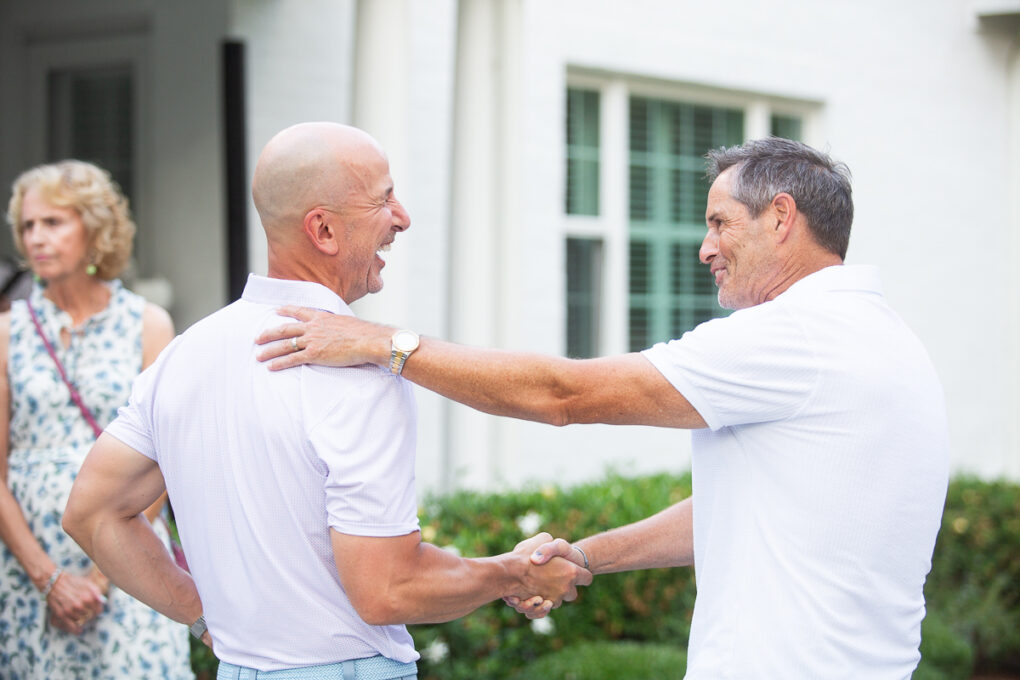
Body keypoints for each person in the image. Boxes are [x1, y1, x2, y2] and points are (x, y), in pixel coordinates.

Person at [252, 137, 950, 679]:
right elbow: (740, 506)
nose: (705, 248)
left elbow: (565, 396)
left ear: (781, 218)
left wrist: (382, 343)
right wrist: (585, 557)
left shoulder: (793, 337)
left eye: (719, 222)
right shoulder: (884, 339)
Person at [62, 122, 591, 680]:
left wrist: (203, 618)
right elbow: (388, 589)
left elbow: (92, 513)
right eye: (384, 198)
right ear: (324, 230)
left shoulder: (185, 354)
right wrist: (511, 573)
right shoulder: (360, 373)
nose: (403, 217)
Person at [0, 160, 192, 678]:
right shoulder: (5, 331)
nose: (36, 237)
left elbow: (165, 461)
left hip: (130, 565)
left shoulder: (148, 324)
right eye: (27, 226)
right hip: (28, 571)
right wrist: (50, 580)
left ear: (95, 229)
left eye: (53, 222)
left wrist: (103, 575)